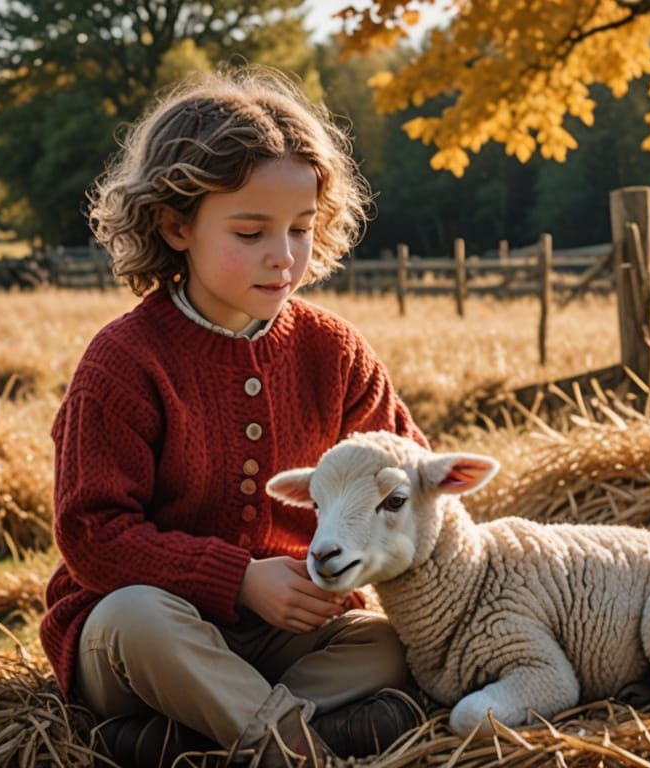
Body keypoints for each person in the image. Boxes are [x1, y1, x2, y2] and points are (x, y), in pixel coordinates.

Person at [41, 67, 430, 768]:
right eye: (251, 232)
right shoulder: (123, 361)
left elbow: (406, 481)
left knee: (393, 641)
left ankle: (192, 742)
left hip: (290, 634)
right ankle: (294, 747)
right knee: (138, 619)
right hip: (144, 640)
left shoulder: (334, 351)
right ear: (175, 223)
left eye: (302, 229)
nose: (283, 256)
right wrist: (242, 578)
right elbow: (91, 535)